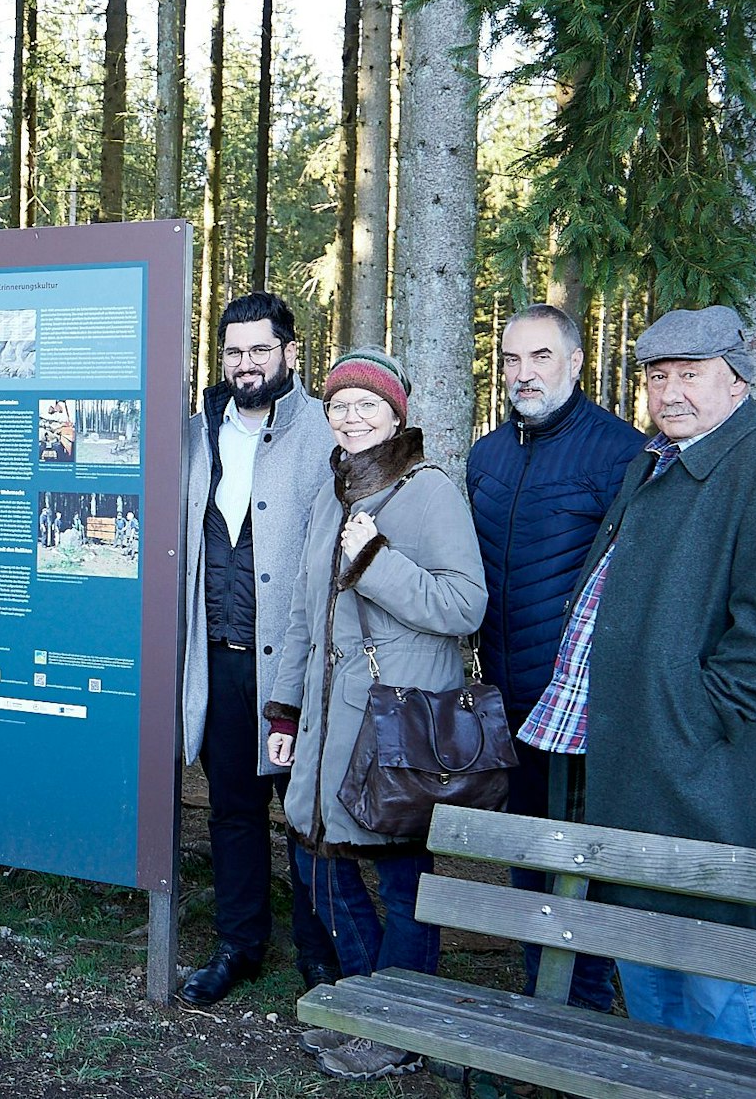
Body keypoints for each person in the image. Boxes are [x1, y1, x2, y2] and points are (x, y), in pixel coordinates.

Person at [519, 305, 756, 1049]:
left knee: (712, 969)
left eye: (692, 374)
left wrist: (689, 722)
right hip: (631, 764)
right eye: (659, 377)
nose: (672, 392)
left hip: (699, 774)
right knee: (645, 960)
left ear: (737, 382)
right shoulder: (654, 457)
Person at [265, 350, 485, 1080]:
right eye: (340, 405)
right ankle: (367, 1009)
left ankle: (399, 1024)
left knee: (401, 877)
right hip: (329, 722)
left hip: (397, 723)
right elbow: (303, 611)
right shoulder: (333, 490)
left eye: (368, 405)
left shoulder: (429, 492)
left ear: (397, 414)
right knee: (316, 858)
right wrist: (285, 708)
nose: (351, 417)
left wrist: (377, 562)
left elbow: (464, 604)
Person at [465, 304, 641, 1011]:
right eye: (511, 359)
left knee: (580, 863)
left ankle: (586, 1010)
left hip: (579, 709)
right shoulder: (488, 454)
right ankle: (541, 999)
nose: (522, 373)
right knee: (526, 857)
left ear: (574, 361)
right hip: (504, 698)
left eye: (540, 357)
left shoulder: (619, 453)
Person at [174, 291, 341, 1008]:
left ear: (290, 353)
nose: (247, 364)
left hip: (297, 662)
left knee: (304, 810)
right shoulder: (193, 434)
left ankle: (320, 951)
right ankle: (238, 942)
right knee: (232, 809)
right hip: (215, 656)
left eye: (261, 350)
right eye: (235, 351)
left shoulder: (326, 434)